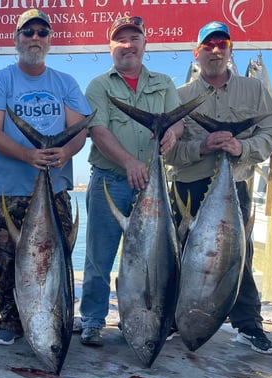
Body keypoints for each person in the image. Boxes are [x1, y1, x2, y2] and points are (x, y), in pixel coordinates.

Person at [167, 21, 272, 354]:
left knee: (238, 256)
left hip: (235, 183)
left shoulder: (255, 91)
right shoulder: (180, 96)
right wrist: (202, 146)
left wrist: (241, 148)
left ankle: (249, 326)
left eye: (222, 44)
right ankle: (175, 319)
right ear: (197, 53)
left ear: (230, 50)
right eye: (209, 45)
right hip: (188, 185)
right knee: (182, 252)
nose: (215, 50)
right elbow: (170, 150)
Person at [0, 9, 92, 346]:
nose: (35, 38)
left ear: (49, 39)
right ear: (16, 39)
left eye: (42, 32)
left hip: (53, 187)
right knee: (7, 259)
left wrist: (65, 152)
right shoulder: (0, 80)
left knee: (54, 259)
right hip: (6, 189)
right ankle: (10, 321)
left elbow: (79, 130)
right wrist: (29, 155)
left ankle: (54, 317)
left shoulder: (65, 83)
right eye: (27, 32)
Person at [79, 15, 182, 347]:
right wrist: (129, 162)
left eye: (134, 39)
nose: (128, 45)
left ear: (144, 44)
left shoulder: (164, 83)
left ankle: (135, 317)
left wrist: (173, 136)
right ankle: (93, 320)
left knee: (149, 260)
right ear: (111, 47)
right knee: (99, 257)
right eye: (120, 40)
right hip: (111, 181)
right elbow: (98, 131)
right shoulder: (99, 85)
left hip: (152, 184)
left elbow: (177, 120)